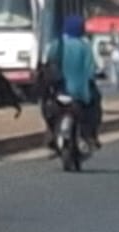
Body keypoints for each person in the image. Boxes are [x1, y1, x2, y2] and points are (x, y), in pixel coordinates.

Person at [40, 15, 102, 152]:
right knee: (95, 105)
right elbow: (91, 70)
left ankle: (50, 133)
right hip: (81, 93)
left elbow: (49, 63)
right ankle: (91, 136)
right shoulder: (85, 47)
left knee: (46, 107)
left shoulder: (58, 44)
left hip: (59, 91)